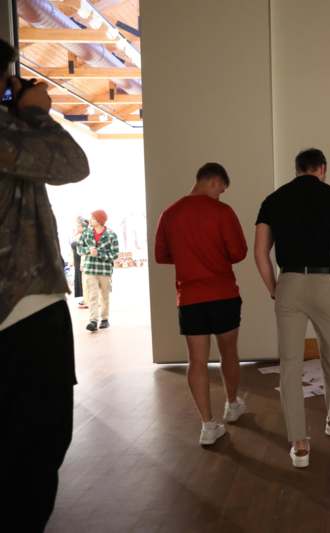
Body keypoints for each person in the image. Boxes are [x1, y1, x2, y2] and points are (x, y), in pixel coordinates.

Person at [0, 38, 90, 532]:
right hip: (24, 310)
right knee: (35, 446)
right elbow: (72, 165)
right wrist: (33, 113)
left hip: (27, 312)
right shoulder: (13, 131)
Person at [254, 148, 330, 468]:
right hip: (325, 282)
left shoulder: (273, 200)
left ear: (297, 169)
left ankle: (299, 443)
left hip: (290, 283)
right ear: (321, 169)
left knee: (290, 364)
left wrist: (274, 287)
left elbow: (260, 252)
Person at [154, 162, 248, 446]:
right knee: (229, 352)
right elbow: (239, 252)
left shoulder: (170, 214)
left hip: (190, 298)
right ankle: (232, 405)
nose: (221, 194)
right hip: (223, 294)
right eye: (221, 188)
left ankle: (208, 424)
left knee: (196, 361)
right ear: (214, 181)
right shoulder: (222, 212)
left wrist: (187, 259)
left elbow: (161, 255)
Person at [77, 209, 119, 332]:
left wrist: (99, 253)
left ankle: (105, 319)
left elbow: (115, 254)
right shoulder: (86, 233)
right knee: (92, 296)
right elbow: (79, 248)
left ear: (100, 220)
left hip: (105, 270)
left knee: (104, 296)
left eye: (93, 218)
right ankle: (93, 321)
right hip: (90, 269)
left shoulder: (111, 234)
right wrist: (88, 251)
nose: (90, 220)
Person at [71, 217, 88, 308]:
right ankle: (85, 298)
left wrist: (82, 263)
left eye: (78, 226)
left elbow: (83, 250)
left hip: (81, 260)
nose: (76, 228)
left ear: (82, 226)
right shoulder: (79, 235)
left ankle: (87, 300)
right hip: (77, 260)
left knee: (84, 281)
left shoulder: (85, 235)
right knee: (80, 280)